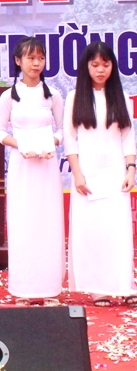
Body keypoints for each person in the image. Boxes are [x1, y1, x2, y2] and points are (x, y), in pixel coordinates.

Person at [64, 41, 136, 307]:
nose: (100, 69)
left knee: (118, 231)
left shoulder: (121, 97)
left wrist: (131, 169)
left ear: (113, 67)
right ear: (86, 67)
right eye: (95, 65)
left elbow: (128, 136)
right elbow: (70, 139)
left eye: (106, 64)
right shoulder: (74, 98)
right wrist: (77, 174)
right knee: (92, 233)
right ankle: (97, 288)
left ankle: (125, 285)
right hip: (87, 175)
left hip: (116, 173)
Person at [0, 37, 64, 306]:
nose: (36, 63)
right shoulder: (8, 96)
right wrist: (20, 145)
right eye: (30, 58)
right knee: (22, 222)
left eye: (41, 58)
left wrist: (51, 144)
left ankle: (49, 288)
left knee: (47, 222)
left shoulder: (53, 95)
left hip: (46, 166)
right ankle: (23, 288)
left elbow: (62, 130)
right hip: (21, 165)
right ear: (18, 60)